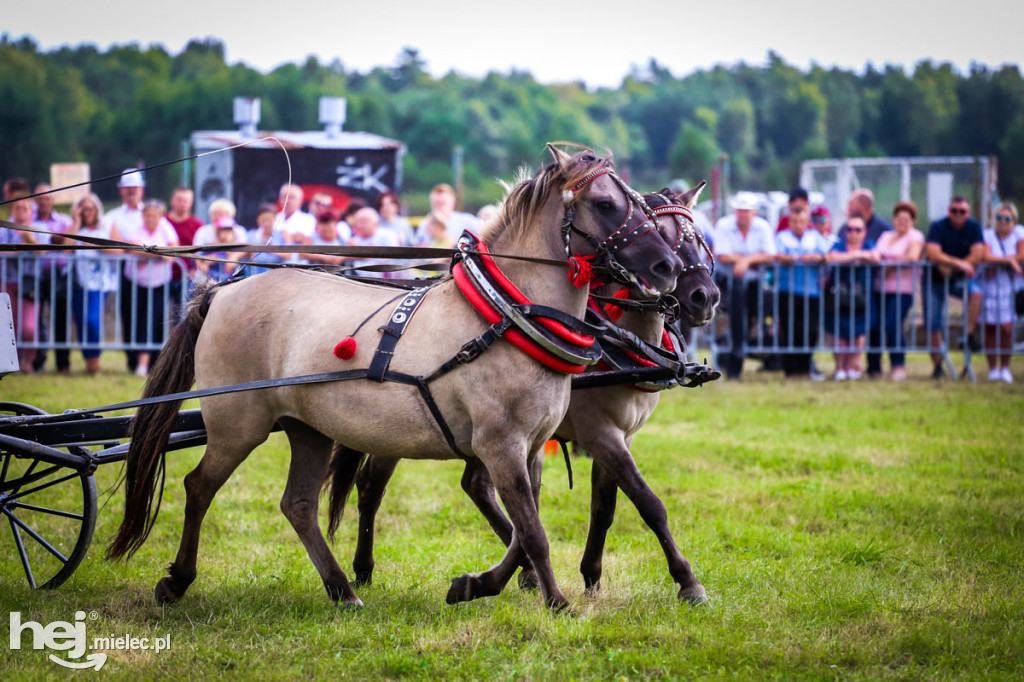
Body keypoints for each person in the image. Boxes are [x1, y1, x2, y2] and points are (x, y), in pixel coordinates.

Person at [110, 199, 179, 377]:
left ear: (160, 216)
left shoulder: (165, 227)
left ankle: (147, 363)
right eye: (148, 215)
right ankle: (135, 362)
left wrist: (152, 253)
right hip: (135, 282)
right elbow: (132, 248)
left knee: (151, 320)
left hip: (158, 284)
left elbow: (173, 250)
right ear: (143, 216)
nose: (151, 219)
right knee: (134, 319)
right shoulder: (137, 228)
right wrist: (156, 252)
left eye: (155, 216)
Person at [712, 191, 777, 379]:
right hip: (728, 284)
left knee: (753, 316)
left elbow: (770, 254)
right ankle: (736, 356)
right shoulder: (724, 225)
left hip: (755, 285)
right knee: (738, 314)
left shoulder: (762, 227)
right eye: (740, 210)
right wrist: (750, 260)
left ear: (754, 212)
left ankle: (742, 354)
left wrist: (745, 261)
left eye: (746, 211)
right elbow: (722, 255)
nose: (742, 214)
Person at [923, 196, 985, 379]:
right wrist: (960, 264)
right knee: (932, 322)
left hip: (959, 278)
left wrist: (953, 266)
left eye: (962, 211)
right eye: (954, 211)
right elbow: (933, 253)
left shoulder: (974, 227)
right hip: (934, 279)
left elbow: (978, 253)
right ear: (948, 211)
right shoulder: (938, 226)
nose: (958, 214)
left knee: (976, 293)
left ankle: (968, 335)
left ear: (968, 213)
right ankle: (937, 366)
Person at [870, 202, 925, 381]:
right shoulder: (885, 236)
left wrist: (890, 266)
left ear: (913, 221)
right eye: (899, 218)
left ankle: (898, 365)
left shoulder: (915, 236)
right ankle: (874, 367)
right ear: (893, 219)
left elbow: (913, 256)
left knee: (893, 325)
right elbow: (876, 255)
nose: (902, 222)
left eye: (906, 219)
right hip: (880, 288)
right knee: (875, 326)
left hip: (902, 290)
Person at [775, 203, 830, 379]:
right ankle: (791, 370)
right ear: (790, 223)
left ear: (807, 223)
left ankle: (805, 368)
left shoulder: (815, 237)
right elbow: (776, 255)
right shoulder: (782, 237)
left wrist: (818, 257)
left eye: (802, 221)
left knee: (810, 330)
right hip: (787, 290)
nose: (798, 225)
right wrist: (792, 259)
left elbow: (827, 256)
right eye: (795, 221)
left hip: (811, 291)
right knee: (790, 329)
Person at [67, 193, 118, 374]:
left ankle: (95, 358)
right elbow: (65, 248)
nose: (86, 212)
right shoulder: (76, 228)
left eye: (90, 208)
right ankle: (89, 360)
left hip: (100, 283)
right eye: (83, 208)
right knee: (81, 321)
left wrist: (96, 246)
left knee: (92, 320)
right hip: (79, 282)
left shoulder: (107, 226)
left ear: (97, 209)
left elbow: (118, 250)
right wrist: (76, 221)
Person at [824, 216, 879, 380]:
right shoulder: (839, 245)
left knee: (858, 333)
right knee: (840, 333)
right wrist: (859, 256)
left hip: (862, 298)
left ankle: (854, 367)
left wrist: (850, 256)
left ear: (864, 232)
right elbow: (831, 257)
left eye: (858, 229)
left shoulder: (869, 244)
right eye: (850, 229)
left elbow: (875, 257)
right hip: (839, 297)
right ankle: (840, 368)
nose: (853, 233)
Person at [104, 168, 147, 372]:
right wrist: (130, 245)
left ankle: (150, 359)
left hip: (149, 270)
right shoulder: (112, 216)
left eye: (135, 188)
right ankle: (132, 359)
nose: (132, 192)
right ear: (121, 191)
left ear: (142, 190)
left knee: (149, 314)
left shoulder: (150, 212)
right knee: (128, 313)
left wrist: (129, 246)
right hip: (123, 270)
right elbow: (107, 243)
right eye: (128, 188)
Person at [31, 183, 73, 373]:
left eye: (47, 198)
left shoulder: (64, 221)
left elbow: (69, 244)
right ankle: (37, 362)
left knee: (61, 320)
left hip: (60, 278)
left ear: (53, 200)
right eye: (40, 198)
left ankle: (63, 363)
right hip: (34, 276)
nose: (44, 202)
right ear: (35, 201)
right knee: (36, 320)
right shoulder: (27, 220)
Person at [979, 201, 1023, 383]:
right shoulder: (987, 235)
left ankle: (1005, 367)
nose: (1002, 222)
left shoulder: (1020, 233)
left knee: (1006, 327)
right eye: (999, 218)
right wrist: (1010, 262)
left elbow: (1022, 255)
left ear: (1013, 220)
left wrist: (1004, 260)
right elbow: (986, 256)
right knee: (990, 327)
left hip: (1011, 287)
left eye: (1007, 218)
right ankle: (992, 369)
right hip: (990, 286)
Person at [1, 192, 39, 371]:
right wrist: (18, 252)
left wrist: (27, 236)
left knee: (29, 327)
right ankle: (10, 366)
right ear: (11, 210)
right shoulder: (3, 231)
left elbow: (42, 251)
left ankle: (28, 362)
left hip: (29, 284)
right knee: (10, 326)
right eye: (17, 208)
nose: (21, 212)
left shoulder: (39, 228)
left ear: (31, 211)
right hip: (7, 283)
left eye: (25, 208)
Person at [343, 207, 399, 278]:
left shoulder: (388, 235)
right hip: (356, 279)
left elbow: (390, 258)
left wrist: (359, 252)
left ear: (375, 223)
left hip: (384, 280)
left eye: (363, 222)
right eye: (358, 222)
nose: (360, 225)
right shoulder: (354, 240)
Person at [194, 217, 243, 282]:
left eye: (229, 230)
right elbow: (197, 256)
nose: (227, 233)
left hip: (234, 283)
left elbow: (250, 253)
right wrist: (202, 264)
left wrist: (234, 256)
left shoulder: (239, 247)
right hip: (213, 282)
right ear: (218, 232)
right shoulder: (211, 246)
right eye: (223, 230)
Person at [245, 204, 288, 276]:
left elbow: (288, 254)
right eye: (263, 220)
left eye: (269, 220)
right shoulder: (252, 235)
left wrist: (271, 250)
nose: (266, 223)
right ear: (258, 220)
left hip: (277, 277)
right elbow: (246, 253)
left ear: (275, 219)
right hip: (255, 277)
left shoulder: (282, 234)